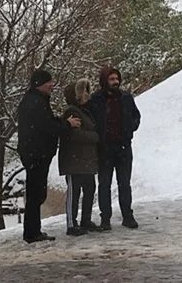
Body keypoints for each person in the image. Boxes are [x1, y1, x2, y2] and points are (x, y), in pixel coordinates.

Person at [17, 69, 80, 243]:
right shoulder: (36, 103)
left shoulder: (33, 101)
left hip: (34, 153)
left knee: (36, 193)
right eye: (49, 82)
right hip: (36, 154)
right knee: (36, 194)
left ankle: (33, 230)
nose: (52, 85)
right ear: (40, 84)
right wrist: (67, 124)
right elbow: (48, 126)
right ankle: (32, 233)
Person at [87, 66, 141, 230]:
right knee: (104, 184)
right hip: (104, 149)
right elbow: (90, 121)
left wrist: (130, 128)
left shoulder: (126, 97)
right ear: (104, 81)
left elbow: (136, 116)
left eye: (117, 79)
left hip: (123, 147)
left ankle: (127, 215)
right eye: (111, 79)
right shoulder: (95, 100)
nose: (115, 82)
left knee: (124, 183)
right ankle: (105, 218)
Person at [59, 79, 103, 236]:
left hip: (85, 161)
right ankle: (71, 224)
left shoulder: (84, 111)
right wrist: (96, 137)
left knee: (89, 189)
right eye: (83, 91)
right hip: (74, 160)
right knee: (74, 192)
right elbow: (76, 135)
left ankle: (86, 220)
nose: (86, 94)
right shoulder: (73, 111)